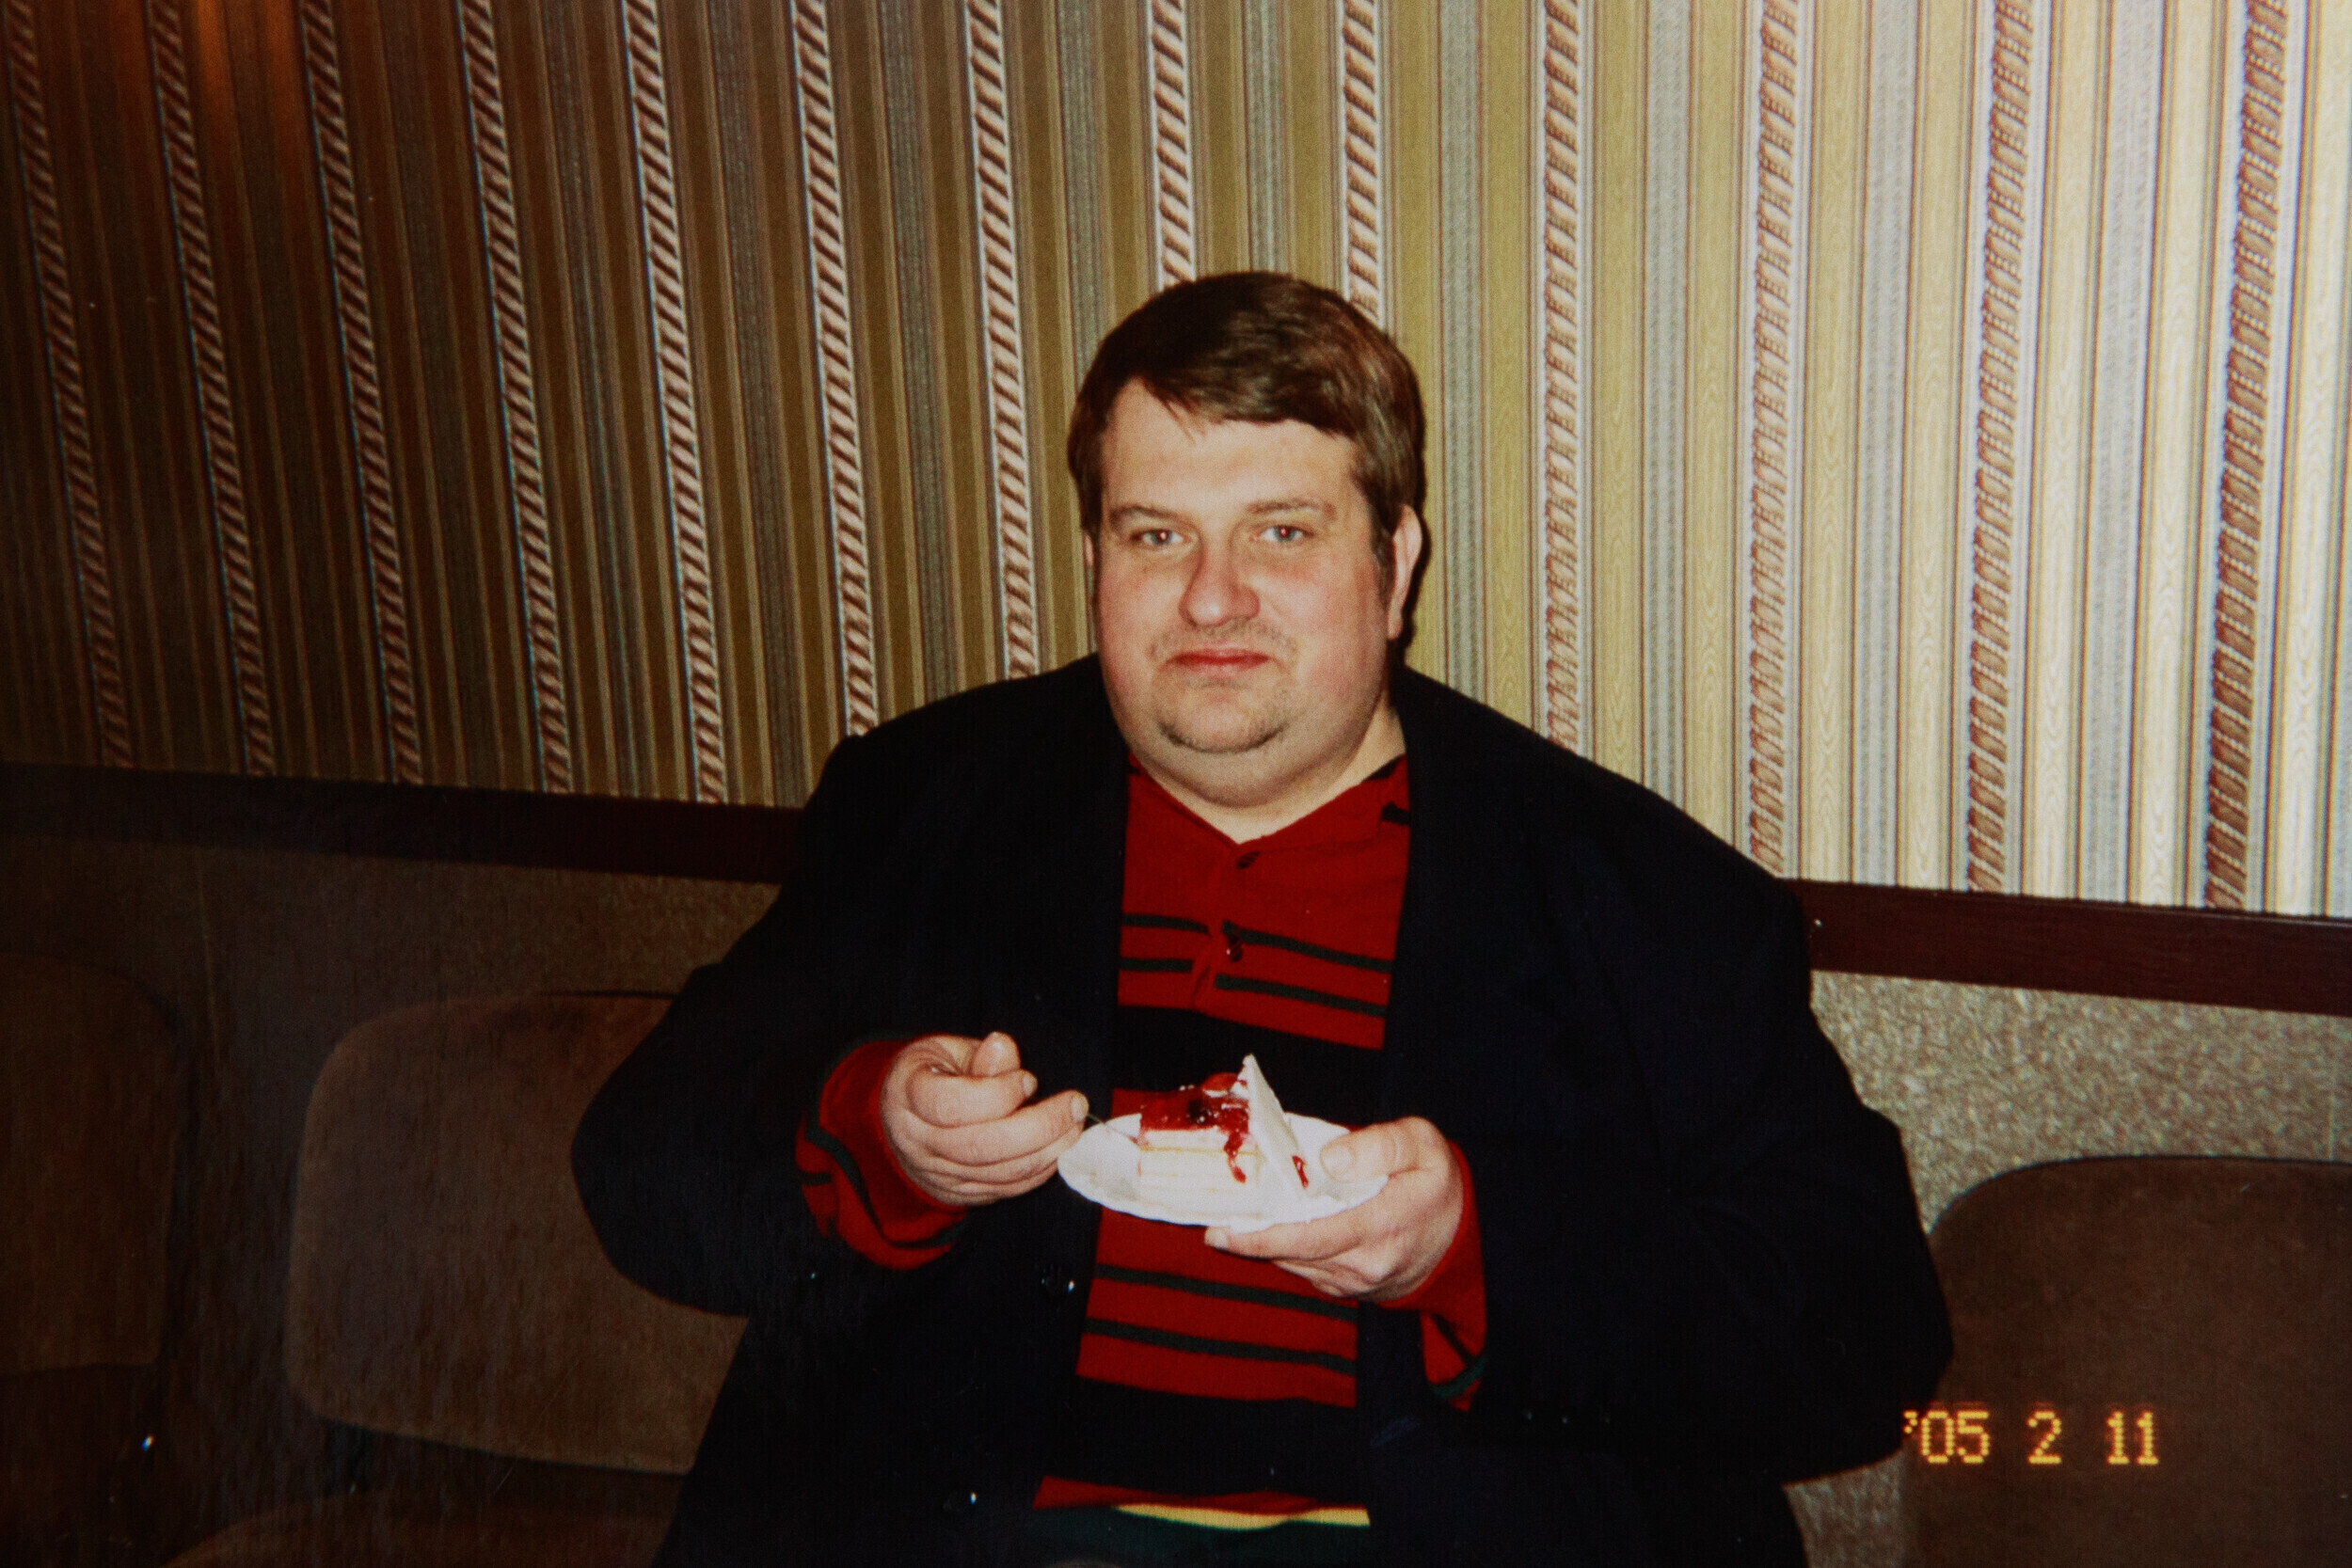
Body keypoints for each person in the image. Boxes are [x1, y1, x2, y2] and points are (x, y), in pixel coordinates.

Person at [573, 272, 1950, 1567]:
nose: (1210, 597)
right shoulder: (920, 809)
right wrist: (879, 1137)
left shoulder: (1639, 895)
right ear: (1095, 557)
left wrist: (1474, 1251)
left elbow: (1866, 1340)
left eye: (1282, 533)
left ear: (1393, 564)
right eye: (1155, 534)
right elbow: (640, 1166)